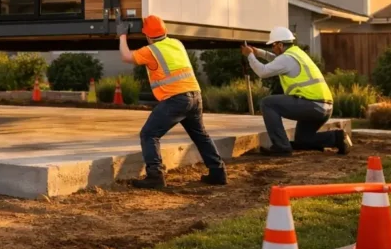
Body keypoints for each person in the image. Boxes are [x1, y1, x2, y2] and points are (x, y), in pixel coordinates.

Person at [118, 15, 227, 189]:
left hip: (176, 99)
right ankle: (218, 172)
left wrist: (122, 35)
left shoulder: (151, 51)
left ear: (147, 35)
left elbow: (126, 56)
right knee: (200, 135)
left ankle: (155, 176)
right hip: (195, 95)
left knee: (149, 134)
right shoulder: (177, 43)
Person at [241, 27, 352, 157]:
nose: (272, 48)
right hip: (324, 107)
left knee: (268, 103)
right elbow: (276, 60)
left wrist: (250, 56)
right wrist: (258, 52)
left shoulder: (287, 58)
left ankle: (281, 147)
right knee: (302, 139)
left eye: (274, 45)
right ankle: (337, 138)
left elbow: (263, 71)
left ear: (281, 45)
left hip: (312, 105)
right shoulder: (296, 54)